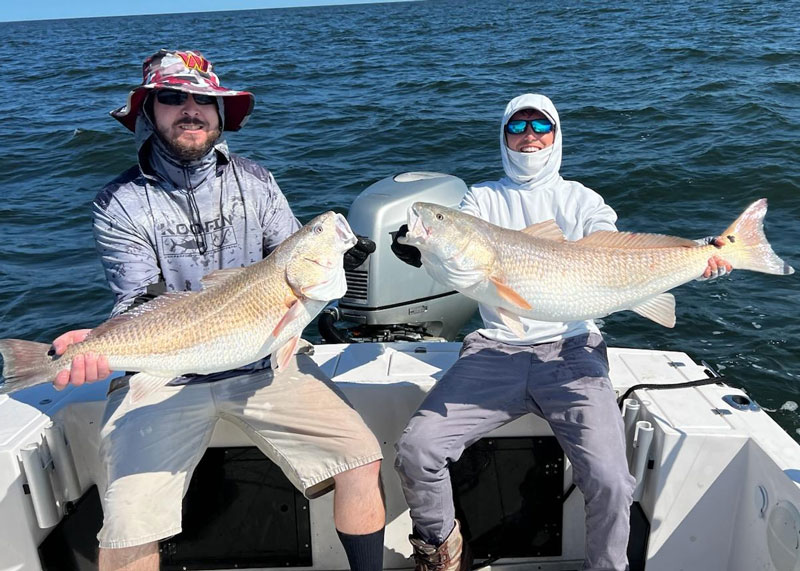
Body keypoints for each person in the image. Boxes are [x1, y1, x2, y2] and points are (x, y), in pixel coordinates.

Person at [51, 49, 384, 571]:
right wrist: (100, 342)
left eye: (204, 100)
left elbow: (289, 260)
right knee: (127, 523)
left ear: (221, 112)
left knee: (361, 457)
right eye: (172, 97)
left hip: (265, 362)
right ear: (148, 112)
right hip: (164, 372)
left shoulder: (258, 181)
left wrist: (336, 259)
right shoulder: (119, 202)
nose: (191, 109)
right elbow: (137, 299)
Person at [390, 93, 732, 571]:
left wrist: (698, 255)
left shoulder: (582, 200)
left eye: (540, 126)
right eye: (517, 127)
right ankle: (442, 552)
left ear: (556, 135)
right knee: (417, 449)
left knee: (612, 481)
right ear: (503, 137)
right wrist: (422, 247)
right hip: (495, 351)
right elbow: (460, 267)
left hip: (573, 350)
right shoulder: (481, 200)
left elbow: (617, 248)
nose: (529, 136)